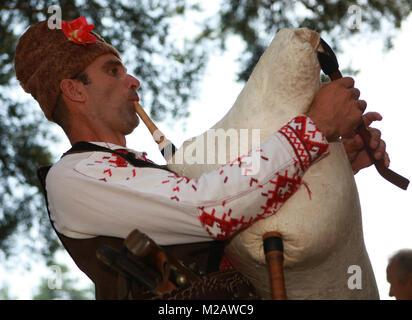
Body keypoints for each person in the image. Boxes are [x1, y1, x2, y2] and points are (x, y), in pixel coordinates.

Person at [14, 17, 389, 298]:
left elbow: (237, 207)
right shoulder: (75, 176)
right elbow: (212, 208)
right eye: (113, 71)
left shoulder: (133, 171)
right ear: (74, 90)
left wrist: (326, 167)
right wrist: (313, 130)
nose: (133, 82)